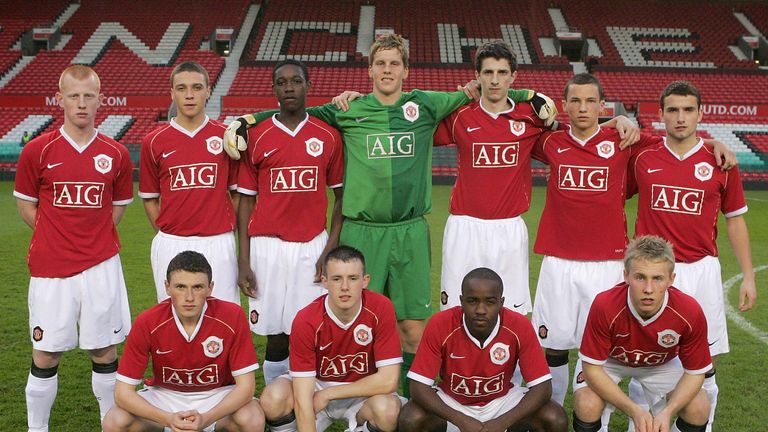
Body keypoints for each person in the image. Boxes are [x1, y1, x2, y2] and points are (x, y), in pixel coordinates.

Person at [224, 34, 557, 394]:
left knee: (412, 327)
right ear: (369, 70)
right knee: (353, 323)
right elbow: (292, 112)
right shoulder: (347, 109)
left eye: (394, 63)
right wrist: (248, 118)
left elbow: (485, 88)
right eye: (380, 63)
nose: (387, 70)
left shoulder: (426, 105)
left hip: (409, 231)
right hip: (361, 232)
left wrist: (528, 95)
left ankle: (409, 400)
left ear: (406, 69)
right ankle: (354, 397)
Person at [626, 80, 757, 431]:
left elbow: (736, 222)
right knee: (646, 361)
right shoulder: (643, 155)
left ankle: (702, 424)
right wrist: (616, 122)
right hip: (652, 274)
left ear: (700, 113)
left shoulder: (720, 162)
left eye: (688, 110)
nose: (680, 117)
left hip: (700, 272)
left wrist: (748, 276)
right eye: (673, 110)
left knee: (703, 364)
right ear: (661, 114)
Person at [530, 73, 664, 409]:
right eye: (575, 100)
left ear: (602, 105)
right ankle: (553, 413)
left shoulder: (620, 141)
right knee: (555, 344)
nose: (583, 107)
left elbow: (673, 144)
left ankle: (592, 416)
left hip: (607, 262)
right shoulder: (551, 143)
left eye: (591, 101)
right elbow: (513, 123)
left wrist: (622, 121)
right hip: (558, 260)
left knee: (600, 347)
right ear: (564, 106)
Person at [14, 65, 134, 431]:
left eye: (88, 96)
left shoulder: (116, 153)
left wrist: (91, 236)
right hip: (52, 269)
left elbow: (117, 207)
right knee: (46, 354)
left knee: (104, 351)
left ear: (100, 99)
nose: (81, 103)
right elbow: (26, 206)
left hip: (101, 267)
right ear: (60, 98)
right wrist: (58, 234)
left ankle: (108, 423)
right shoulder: (37, 150)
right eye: (74, 96)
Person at [237, 59, 344, 384]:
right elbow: (244, 203)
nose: (289, 88)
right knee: (274, 333)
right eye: (281, 82)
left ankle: (308, 401)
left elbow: (341, 199)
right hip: (266, 246)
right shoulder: (257, 136)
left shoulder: (327, 136)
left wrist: (329, 250)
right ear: (273, 89)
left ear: (308, 86)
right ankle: (277, 407)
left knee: (308, 331)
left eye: (295, 81)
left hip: (311, 245)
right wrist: (243, 259)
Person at [102, 251, 264, 432]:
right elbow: (122, 394)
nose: (189, 297)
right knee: (114, 420)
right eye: (180, 286)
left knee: (252, 417)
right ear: (167, 287)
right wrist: (167, 419)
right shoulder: (147, 321)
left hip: (217, 396)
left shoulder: (232, 316)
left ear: (210, 288)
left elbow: (246, 387)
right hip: (166, 397)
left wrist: (207, 418)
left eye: (197, 287)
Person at [400, 267, 567, 432]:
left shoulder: (518, 326)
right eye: (472, 300)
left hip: (502, 402)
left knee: (553, 417)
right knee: (412, 417)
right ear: (461, 300)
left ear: (501, 302)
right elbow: (418, 387)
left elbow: (542, 388)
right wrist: (461, 420)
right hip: (452, 402)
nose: (481, 310)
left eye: (490, 302)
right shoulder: (441, 323)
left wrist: (500, 423)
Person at [572, 235, 712, 432]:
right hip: (610, 362)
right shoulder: (605, 305)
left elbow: (695, 373)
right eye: (640, 277)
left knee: (699, 406)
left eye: (657, 278)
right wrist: (635, 410)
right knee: (587, 404)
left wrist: (668, 411)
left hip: (661, 364)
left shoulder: (689, 311)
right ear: (626, 275)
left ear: (671, 279)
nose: (648, 289)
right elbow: (592, 369)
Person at [259, 246, 403, 432]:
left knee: (388, 410)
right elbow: (303, 397)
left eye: (353, 278)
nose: (345, 287)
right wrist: (323, 394)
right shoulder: (306, 320)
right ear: (324, 281)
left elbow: (388, 380)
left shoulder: (381, 308)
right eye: (337, 279)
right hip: (315, 388)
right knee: (274, 397)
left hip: (363, 393)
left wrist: (330, 394)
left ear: (365, 281)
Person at [139, 61, 241, 305]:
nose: (189, 95)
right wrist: (169, 231)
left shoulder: (227, 136)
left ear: (208, 91)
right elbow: (150, 198)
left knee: (222, 313)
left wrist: (225, 226)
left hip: (218, 240)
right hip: (172, 241)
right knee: (173, 315)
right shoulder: (154, 141)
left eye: (196, 88)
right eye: (182, 88)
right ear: (172, 93)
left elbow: (238, 193)